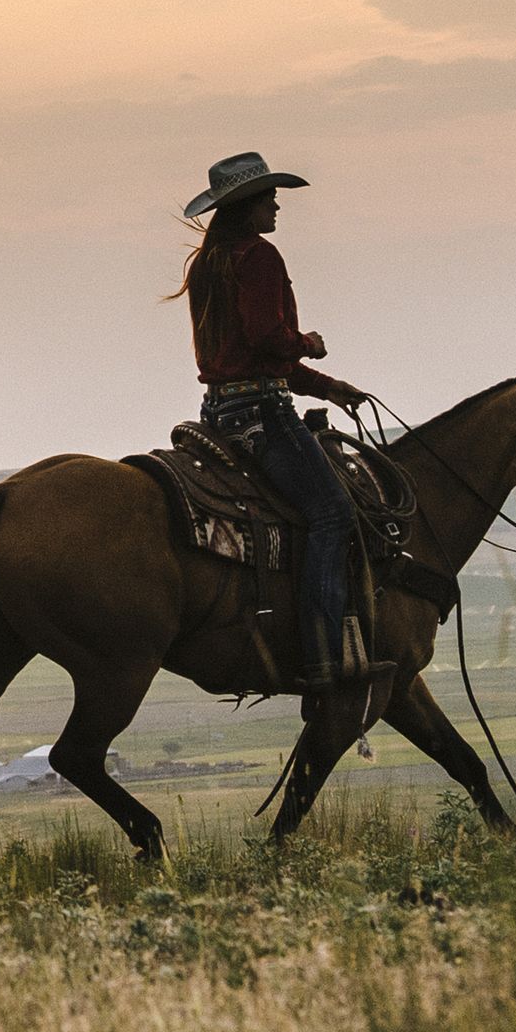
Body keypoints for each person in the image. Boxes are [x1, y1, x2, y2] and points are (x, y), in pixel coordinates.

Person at [178, 152, 374, 708]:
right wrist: (306, 343)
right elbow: (268, 341)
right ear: (246, 206)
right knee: (334, 514)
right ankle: (322, 652)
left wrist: (328, 386)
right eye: (268, 197)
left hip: (220, 414)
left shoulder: (209, 263)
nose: (277, 203)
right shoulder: (259, 256)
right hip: (264, 417)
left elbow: (245, 354)